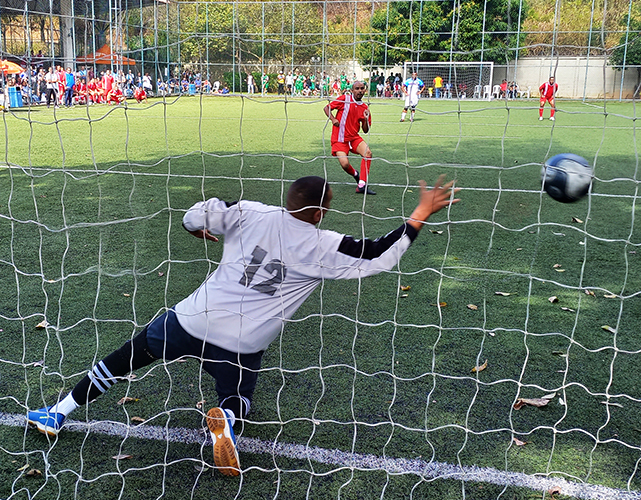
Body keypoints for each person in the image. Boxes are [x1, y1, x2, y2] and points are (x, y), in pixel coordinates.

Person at [26, 174, 459, 477]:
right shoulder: (325, 244)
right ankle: (227, 420)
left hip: (194, 318)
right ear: (322, 211)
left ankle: (57, 413)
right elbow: (378, 253)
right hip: (244, 340)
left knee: (126, 357)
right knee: (239, 396)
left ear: (288, 199)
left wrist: (197, 230)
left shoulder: (250, 212)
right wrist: (420, 212)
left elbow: (196, 215)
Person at [324, 81, 375, 195]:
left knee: (368, 153)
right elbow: (327, 108)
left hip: (354, 138)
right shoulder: (344, 99)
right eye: (357, 88)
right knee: (345, 164)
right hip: (339, 138)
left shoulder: (364, 108)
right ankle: (356, 174)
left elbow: (365, 130)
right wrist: (333, 119)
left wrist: (366, 119)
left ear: (364, 91)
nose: (360, 90)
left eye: (362, 88)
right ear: (352, 90)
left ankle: (361, 185)